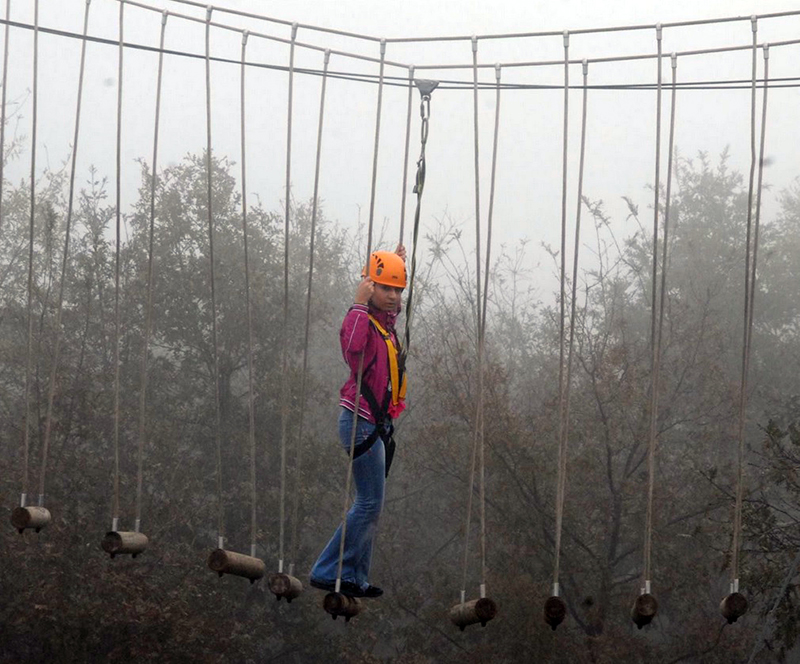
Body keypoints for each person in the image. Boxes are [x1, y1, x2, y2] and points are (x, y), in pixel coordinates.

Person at [309, 245, 407, 599]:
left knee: (372, 506)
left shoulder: (383, 326)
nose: (393, 296)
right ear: (370, 288)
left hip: (374, 426)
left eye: (398, 290)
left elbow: (389, 317)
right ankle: (328, 570)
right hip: (359, 422)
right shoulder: (361, 321)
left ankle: (355, 576)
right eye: (386, 289)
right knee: (368, 504)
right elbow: (351, 346)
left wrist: (395, 265)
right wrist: (358, 301)